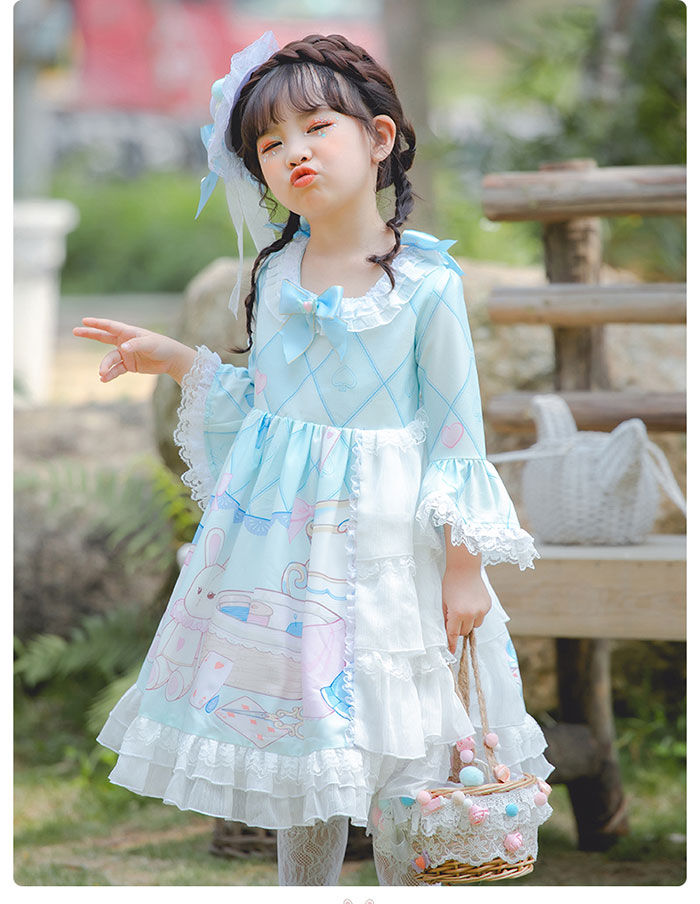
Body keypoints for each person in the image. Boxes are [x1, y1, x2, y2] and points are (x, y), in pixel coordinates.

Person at [73, 32, 553, 887]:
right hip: (288, 555)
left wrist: (464, 567)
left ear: (378, 138)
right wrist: (178, 360)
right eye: (269, 142)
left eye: (316, 127)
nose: (294, 151)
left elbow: (457, 436)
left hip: (390, 551)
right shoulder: (274, 277)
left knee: (406, 756)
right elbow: (268, 412)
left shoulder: (427, 285)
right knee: (307, 756)